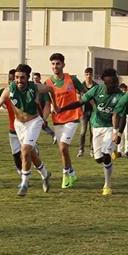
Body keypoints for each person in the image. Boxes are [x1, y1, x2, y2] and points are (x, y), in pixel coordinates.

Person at [0, 64, 54, 196]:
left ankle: (24, 183)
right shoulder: (8, 90)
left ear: (28, 78)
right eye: (17, 77)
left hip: (34, 122)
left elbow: (51, 89)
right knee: (31, 153)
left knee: (24, 151)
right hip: (19, 125)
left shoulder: (35, 88)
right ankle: (45, 175)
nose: (19, 80)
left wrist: (55, 106)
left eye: (22, 78)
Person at [58, 68, 123, 195]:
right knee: (98, 159)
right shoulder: (97, 90)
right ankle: (109, 152)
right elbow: (80, 102)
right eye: (109, 83)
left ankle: (107, 185)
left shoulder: (120, 95)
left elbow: (122, 116)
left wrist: (118, 132)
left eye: (114, 83)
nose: (112, 86)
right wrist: (63, 109)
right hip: (97, 126)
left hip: (110, 127)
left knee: (105, 156)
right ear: (104, 82)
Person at [44, 53, 88, 188]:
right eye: (53, 64)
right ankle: (71, 172)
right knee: (63, 150)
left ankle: (65, 174)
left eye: (57, 63)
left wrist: (84, 104)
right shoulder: (48, 83)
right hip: (57, 120)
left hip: (73, 117)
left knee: (63, 146)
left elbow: (85, 93)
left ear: (63, 64)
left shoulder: (72, 79)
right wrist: (43, 119)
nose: (55, 66)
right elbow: (47, 104)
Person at [77, 67, 96, 158]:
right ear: (85, 75)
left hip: (93, 112)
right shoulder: (81, 85)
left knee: (92, 132)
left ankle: (92, 150)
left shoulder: (96, 86)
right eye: (87, 74)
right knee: (83, 131)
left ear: (92, 75)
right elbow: (78, 98)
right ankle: (81, 150)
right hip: (84, 112)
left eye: (90, 74)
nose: (88, 76)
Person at [32, 71, 57, 142]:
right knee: (38, 125)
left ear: (40, 78)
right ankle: (53, 135)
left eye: (36, 78)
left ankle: (53, 135)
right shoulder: (31, 88)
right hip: (33, 110)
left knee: (38, 124)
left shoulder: (43, 88)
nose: (35, 80)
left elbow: (47, 103)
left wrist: (43, 117)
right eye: (34, 78)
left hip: (41, 111)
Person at [116, 83, 128, 157]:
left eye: (124, 90)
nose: (123, 91)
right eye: (121, 90)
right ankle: (119, 150)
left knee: (127, 134)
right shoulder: (118, 97)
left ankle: (127, 151)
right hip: (120, 117)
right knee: (120, 133)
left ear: (126, 89)